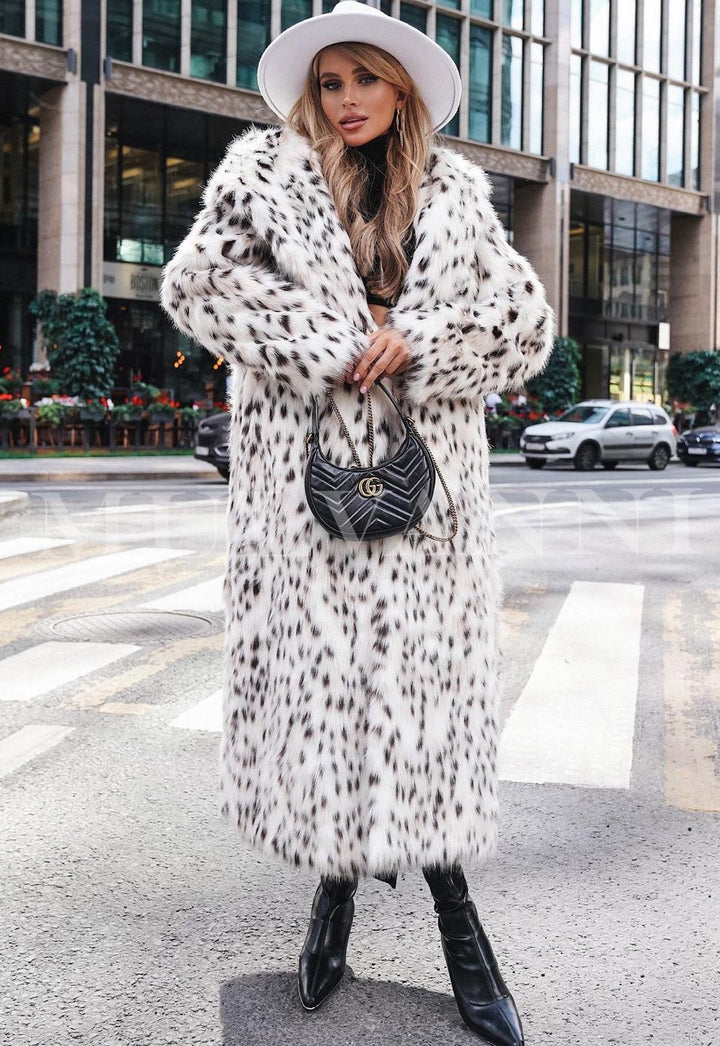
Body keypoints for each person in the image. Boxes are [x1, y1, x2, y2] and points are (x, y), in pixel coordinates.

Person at [161, 4, 554, 1044]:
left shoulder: (459, 198)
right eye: (330, 83)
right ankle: (332, 892)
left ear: (402, 91)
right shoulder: (264, 177)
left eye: (364, 82)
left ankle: (461, 928)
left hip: (430, 515)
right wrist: (336, 341)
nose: (345, 101)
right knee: (335, 709)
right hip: (307, 512)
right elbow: (196, 285)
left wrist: (420, 340)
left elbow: (524, 330)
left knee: (422, 718)